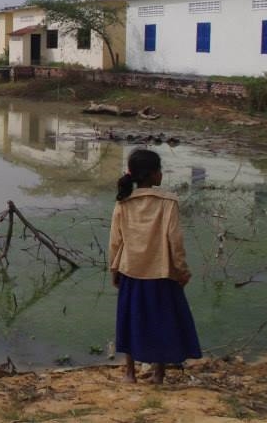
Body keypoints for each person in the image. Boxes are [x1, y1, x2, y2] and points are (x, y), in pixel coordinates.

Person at [109, 148, 201, 384]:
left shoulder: (123, 202)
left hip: (130, 269)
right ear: (154, 175)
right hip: (161, 271)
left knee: (130, 319)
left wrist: (114, 269)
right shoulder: (168, 203)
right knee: (161, 319)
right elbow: (175, 241)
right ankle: (159, 373)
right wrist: (182, 270)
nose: (161, 174)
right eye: (159, 170)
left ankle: (129, 373)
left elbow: (115, 242)